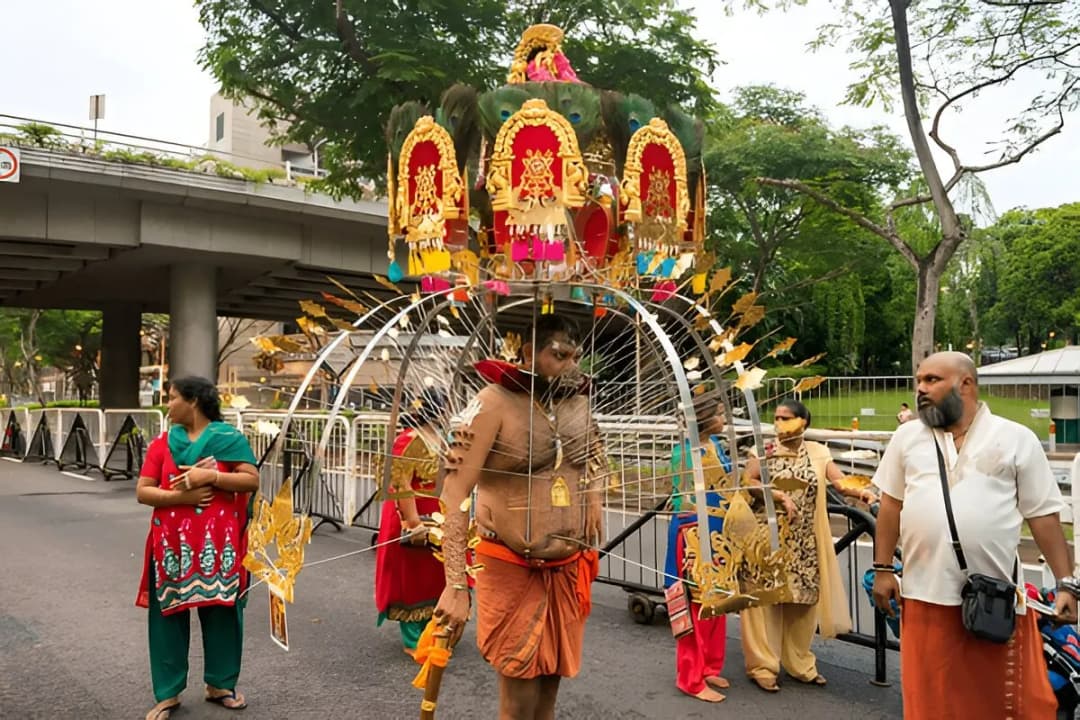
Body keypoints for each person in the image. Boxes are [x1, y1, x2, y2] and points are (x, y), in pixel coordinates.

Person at [872, 352, 1076, 719]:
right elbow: (890, 507)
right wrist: (883, 569)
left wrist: (1066, 583)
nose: (920, 388)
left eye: (932, 380)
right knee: (931, 704)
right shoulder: (907, 437)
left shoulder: (1015, 438)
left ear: (965, 384)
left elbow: (1043, 517)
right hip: (923, 598)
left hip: (993, 602)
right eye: (919, 380)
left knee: (998, 705)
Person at [433, 313, 605, 720]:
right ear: (528, 351)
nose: (570, 365)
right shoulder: (491, 402)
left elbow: (596, 455)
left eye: (575, 356)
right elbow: (454, 492)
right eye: (558, 354)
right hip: (511, 566)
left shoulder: (578, 401)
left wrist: (595, 494)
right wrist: (456, 583)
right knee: (519, 696)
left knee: (550, 684)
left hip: (566, 567)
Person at [135, 377, 259, 720]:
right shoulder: (162, 444)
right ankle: (167, 693)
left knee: (223, 613)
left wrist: (212, 477)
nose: (168, 405)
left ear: (193, 401)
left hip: (219, 547)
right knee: (167, 618)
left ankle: (220, 684)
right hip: (171, 546)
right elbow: (144, 491)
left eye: (172, 398)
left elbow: (251, 479)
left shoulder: (227, 439)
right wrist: (182, 497)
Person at [739, 399, 867, 692]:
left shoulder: (819, 452)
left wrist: (864, 494)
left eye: (786, 418)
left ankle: (800, 663)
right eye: (777, 419)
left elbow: (840, 483)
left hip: (804, 542)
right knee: (764, 602)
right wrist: (779, 497)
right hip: (766, 539)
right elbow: (748, 481)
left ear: (803, 423)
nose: (779, 424)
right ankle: (763, 665)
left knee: (802, 604)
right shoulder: (764, 450)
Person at [664, 392, 733, 703]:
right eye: (719, 414)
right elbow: (686, 499)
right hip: (692, 532)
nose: (724, 420)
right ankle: (690, 677)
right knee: (692, 604)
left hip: (717, 532)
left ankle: (708, 665)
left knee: (716, 601)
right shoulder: (685, 453)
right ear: (704, 419)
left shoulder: (715, 446)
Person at [374, 393, 447, 656]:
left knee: (435, 571)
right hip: (410, 511)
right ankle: (413, 635)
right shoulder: (407, 440)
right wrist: (414, 522)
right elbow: (400, 483)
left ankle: (434, 626)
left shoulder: (443, 440)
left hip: (437, 511)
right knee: (411, 574)